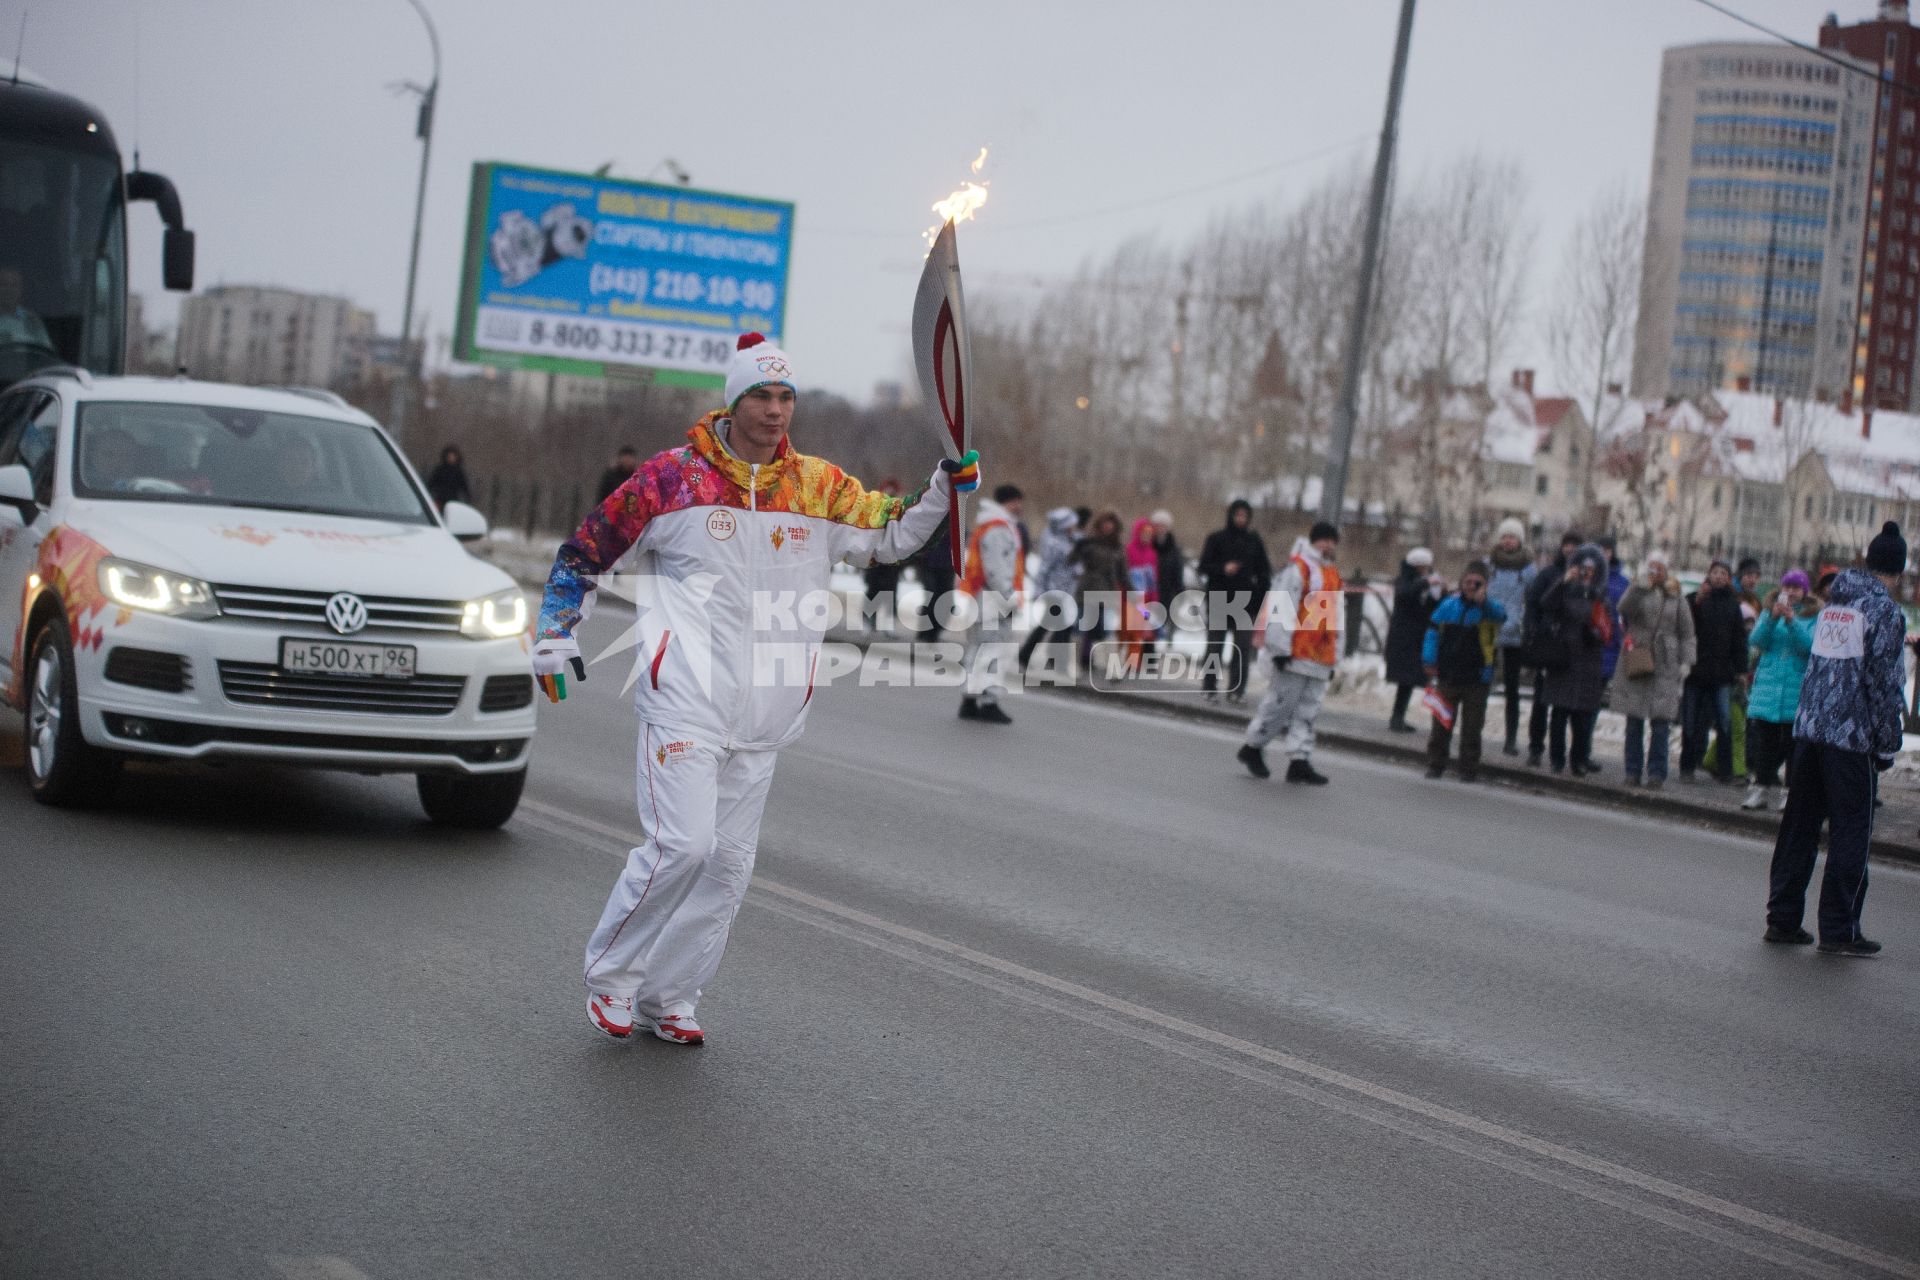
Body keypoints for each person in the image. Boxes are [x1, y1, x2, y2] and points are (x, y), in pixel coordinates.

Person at [531, 333, 976, 1044]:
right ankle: (612, 977)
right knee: (684, 846)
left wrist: (942, 491)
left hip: (766, 712)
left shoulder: (818, 487)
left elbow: (889, 535)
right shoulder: (671, 480)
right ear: (732, 402)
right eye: (760, 397)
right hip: (684, 697)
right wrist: (555, 634)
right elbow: (585, 553)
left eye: (785, 396)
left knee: (729, 868)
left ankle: (670, 996)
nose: (775, 411)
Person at [1765, 523, 1909, 957]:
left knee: (1799, 827)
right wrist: (1887, 742)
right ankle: (1839, 928)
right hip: (1851, 738)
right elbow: (1882, 684)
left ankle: (1783, 918)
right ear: (1898, 572)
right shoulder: (1884, 612)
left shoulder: (1835, 603)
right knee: (1851, 832)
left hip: (1811, 731)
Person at [1237, 521, 1342, 785]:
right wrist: (1279, 647)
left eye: (1332, 540)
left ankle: (1299, 759)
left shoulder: (1332, 574)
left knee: (1309, 710)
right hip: (1295, 652)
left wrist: (1336, 654)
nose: (1328, 545)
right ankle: (1252, 746)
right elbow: (1281, 606)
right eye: (1324, 540)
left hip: (1320, 655)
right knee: (1280, 705)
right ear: (1313, 541)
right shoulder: (1299, 569)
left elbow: (1337, 616)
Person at [1609, 550, 1696, 788]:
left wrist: (1687, 661)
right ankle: (1632, 771)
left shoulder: (1676, 596)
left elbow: (1687, 632)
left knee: (1661, 723)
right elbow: (1623, 608)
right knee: (1634, 720)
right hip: (1638, 658)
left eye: (1660, 567)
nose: (1656, 571)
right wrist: (1639, 586)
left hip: (1666, 664)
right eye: (1652, 566)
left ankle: (1657, 773)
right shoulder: (1639, 590)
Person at [1421, 560, 1505, 781]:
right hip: (1448, 675)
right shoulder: (1450, 605)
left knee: (1472, 727)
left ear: (1485, 585)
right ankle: (1435, 763)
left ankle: (1468, 768)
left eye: (1477, 582)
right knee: (1440, 724)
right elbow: (1432, 630)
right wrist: (1429, 658)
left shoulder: (1489, 609)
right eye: (1467, 581)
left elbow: (1501, 616)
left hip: (1477, 677)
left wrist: (1483, 602)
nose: (1471, 586)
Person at [1744, 569, 1817, 811]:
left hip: (1795, 690)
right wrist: (1771, 618)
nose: (1791, 592)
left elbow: (1809, 647)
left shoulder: (1813, 616)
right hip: (1769, 688)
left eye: (1796, 588)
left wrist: (1792, 622)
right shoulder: (1769, 611)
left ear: (1805, 591)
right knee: (1766, 745)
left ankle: (1789, 793)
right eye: (1787, 587)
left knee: (1792, 747)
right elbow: (1757, 641)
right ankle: (1760, 789)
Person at [1540, 542, 1611, 775]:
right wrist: (1564, 581)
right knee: (1559, 714)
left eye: (1591, 569)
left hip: (1589, 660)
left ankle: (1579, 760)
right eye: (1583, 567)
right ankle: (1557, 760)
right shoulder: (1564, 589)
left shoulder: (1601, 596)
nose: (1586, 572)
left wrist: (1596, 632)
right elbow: (1546, 604)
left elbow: (1608, 628)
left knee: (1582, 717)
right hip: (1564, 657)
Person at [958, 483, 1024, 723]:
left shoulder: (991, 525)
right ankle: (988, 702)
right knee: (993, 652)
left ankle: (970, 699)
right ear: (1007, 502)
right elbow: (996, 568)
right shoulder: (998, 529)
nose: (1019, 506)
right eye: (1016, 501)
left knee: (978, 651)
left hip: (982, 597)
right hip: (993, 599)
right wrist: (1008, 597)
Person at [1197, 499, 1272, 703]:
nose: (1241, 519)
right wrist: (1223, 568)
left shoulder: (1254, 542)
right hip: (1220, 597)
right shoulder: (1217, 539)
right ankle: (1209, 686)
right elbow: (1203, 566)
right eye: (1237, 515)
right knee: (1215, 645)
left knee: (1242, 647)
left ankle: (1237, 690)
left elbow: (1264, 572)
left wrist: (1258, 598)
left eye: (1244, 516)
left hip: (1244, 601)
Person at [1680, 560, 1748, 784]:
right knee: (1690, 721)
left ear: (1729, 579)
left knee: (1724, 722)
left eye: (1724, 573)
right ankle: (1687, 766)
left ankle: (1725, 770)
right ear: (1708, 575)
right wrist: (1697, 602)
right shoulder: (1695, 599)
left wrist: (1740, 669)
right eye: (1715, 572)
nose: (1719, 576)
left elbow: (1739, 639)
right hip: (1695, 670)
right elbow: (1685, 628)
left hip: (1721, 673)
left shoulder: (1732, 604)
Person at [1523, 530, 1583, 767]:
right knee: (1541, 701)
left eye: (1575, 545)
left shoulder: (1588, 577)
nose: (1570, 549)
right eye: (1567, 544)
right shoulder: (1549, 574)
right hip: (1548, 645)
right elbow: (1534, 603)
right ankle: (1535, 747)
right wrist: (1534, 632)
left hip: (1572, 649)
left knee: (1568, 707)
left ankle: (1572, 755)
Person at [1486, 518, 1536, 756]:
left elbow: (1533, 600)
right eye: (1504, 536)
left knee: (1512, 689)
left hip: (1514, 633)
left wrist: (1522, 621)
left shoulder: (1528, 570)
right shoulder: (1489, 565)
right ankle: (1473, 731)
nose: (1507, 541)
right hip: (1489, 630)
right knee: (1480, 683)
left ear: (1519, 540)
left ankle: (1511, 738)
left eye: (1512, 537)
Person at [1018, 506, 1081, 675]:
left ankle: (1026, 655)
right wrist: (1039, 590)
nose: (1072, 527)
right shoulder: (1053, 542)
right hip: (1054, 591)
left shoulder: (1072, 540)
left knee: (1051, 625)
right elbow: (1044, 568)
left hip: (1068, 591)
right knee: (1060, 626)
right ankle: (1056, 663)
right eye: (1070, 524)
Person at [1385, 547, 1439, 733]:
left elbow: (1430, 606)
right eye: (1425, 566)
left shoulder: (1423, 581)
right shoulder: (1406, 580)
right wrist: (1425, 583)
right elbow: (1404, 595)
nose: (1428, 570)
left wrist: (1440, 593)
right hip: (1404, 637)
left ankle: (1399, 716)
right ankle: (1397, 717)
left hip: (1417, 637)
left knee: (1409, 679)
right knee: (1405, 679)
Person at [1068, 511, 1128, 668]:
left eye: (1111, 524)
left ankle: (1113, 666)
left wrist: (1132, 594)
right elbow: (1070, 561)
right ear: (1099, 525)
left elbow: (1123, 574)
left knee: (1108, 627)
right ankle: (1073, 663)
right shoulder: (1089, 543)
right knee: (1080, 627)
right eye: (1105, 523)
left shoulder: (1118, 547)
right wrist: (1077, 547)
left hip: (1107, 590)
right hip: (1087, 588)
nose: (1108, 527)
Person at [1596, 535, 1631, 686]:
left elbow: (1628, 612)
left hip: (1611, 640)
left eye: (1607, 550)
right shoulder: (1589, 575)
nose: (1604, 553)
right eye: (1601, 550)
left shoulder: (1622, 582)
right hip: (1588, 638)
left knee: (1600, 687)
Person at [1151, 509, 1185, 650]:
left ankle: (1167, 645)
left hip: (1167, 590)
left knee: (1165, 620)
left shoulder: (1174, 549)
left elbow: (1178, 572)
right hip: (1150, 591)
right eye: (1157, 525)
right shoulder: (1148, 545)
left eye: (1163, 525)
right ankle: (1148, 650)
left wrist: (1180, 592)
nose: (1160, 529)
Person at [0, 263, 52, 350]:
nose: (9, 290)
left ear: (21, 289)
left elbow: (47, 352)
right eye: (4, 284)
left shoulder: (32, 321)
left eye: (14, 285)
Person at [424, 444, 473, 511]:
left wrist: (468, 499)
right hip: (440, 500)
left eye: (453, 457)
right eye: (449, 456)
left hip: (453, 501)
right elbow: (431, 483)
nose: (451, 458)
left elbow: (464, 486)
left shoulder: (459, 472)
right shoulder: (440, 469)